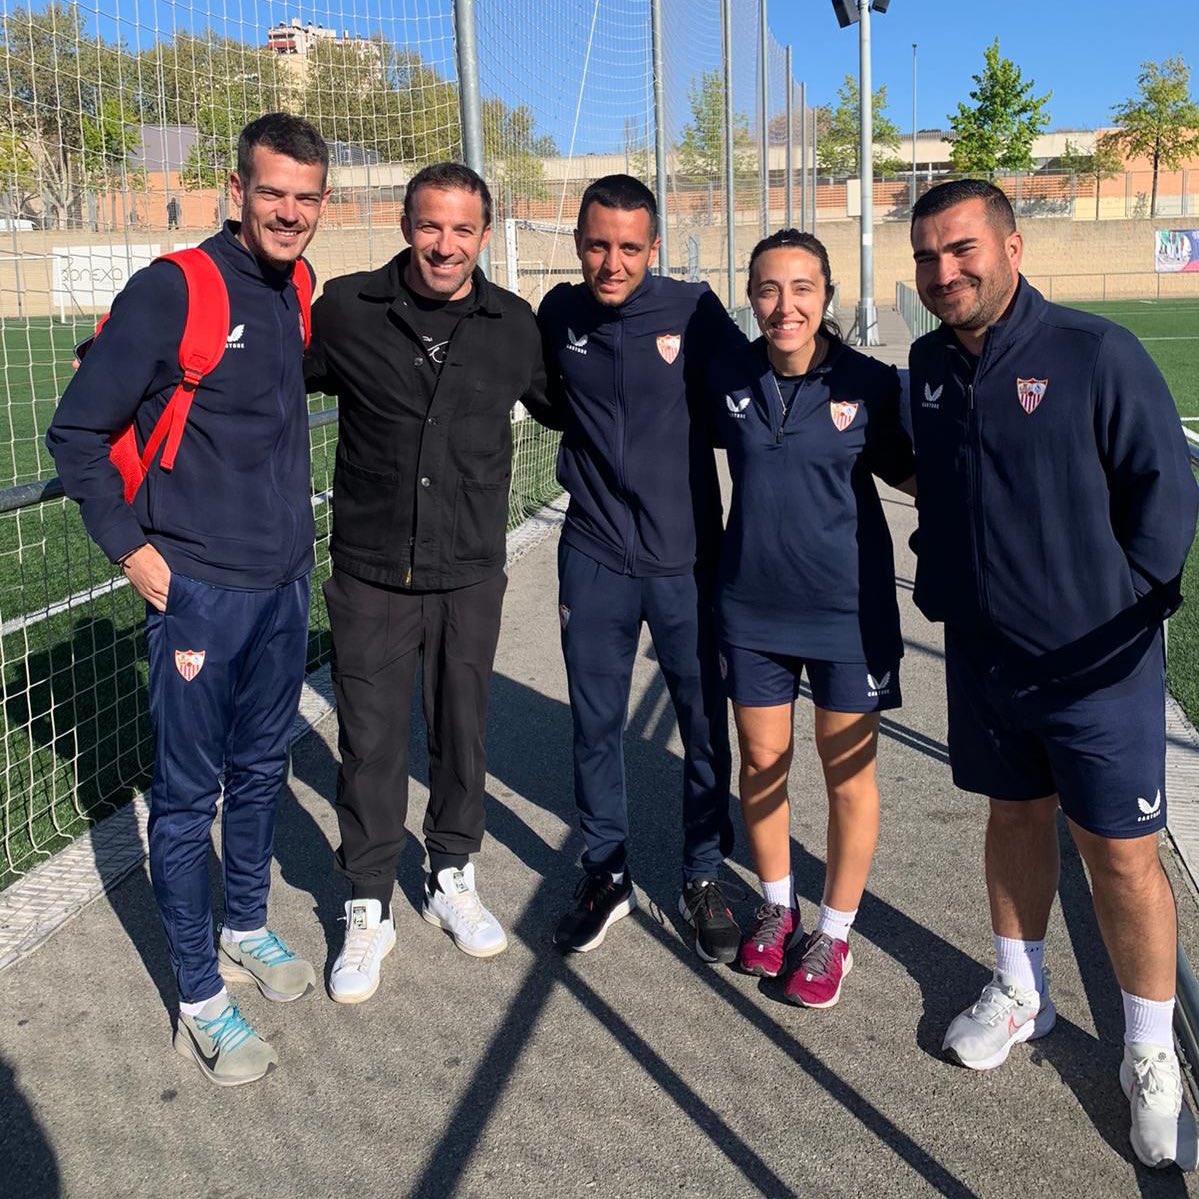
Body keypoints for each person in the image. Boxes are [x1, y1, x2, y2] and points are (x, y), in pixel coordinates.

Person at [908, 178, 1199, 1171]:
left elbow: (1164, 492)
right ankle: (1018, 989)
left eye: (960, 249)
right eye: (926, 256)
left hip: (1096, 667)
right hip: (985, 658)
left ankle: (1148, 1051)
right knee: (1013, 817)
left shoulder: (1092, 352)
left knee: (1120, 855)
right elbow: (941, 482)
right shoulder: (927, 364)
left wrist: (1123, 608)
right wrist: (941, 574)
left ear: (1011, 247)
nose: (942, 271)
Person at [47, 112, 331, 1086]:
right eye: (271, 192)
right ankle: (200, 998)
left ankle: (244, 922)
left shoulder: (296, 287)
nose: (288, 211)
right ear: (236, 190)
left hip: (284, 582)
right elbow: (76, 433)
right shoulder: (175, 287)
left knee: (260, 769)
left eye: (305, 196)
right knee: (183, 800)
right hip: (199, 591)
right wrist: (132, 552)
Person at [305, 163, 556, 1003]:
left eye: (462, 229)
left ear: (484, 234)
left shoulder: (512, 325)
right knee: (370, 742)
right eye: (430, 225)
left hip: (468, 571)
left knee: (462, 731)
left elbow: (577, 405)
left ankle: (451, 873)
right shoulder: (347, 309)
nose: (445, 245)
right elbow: (259, 367)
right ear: (405, 224)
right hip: (371, 571)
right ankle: (367, 901)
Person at [538, 174, 743, 961]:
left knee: (703, 724)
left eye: (628, 247)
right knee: (595, 724)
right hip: (593, 553)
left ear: (653, 248)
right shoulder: (558, 314)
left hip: (685, 559)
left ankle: (702, 872)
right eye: (597, 245)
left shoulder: (693, 310)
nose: (611, 262)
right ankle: (606, 872)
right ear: (578, 243)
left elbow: (756, 395)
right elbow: (546, 398)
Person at [709, 229, 914, 1005]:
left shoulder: (869, 382)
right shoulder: (727, 375)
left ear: (825, 294)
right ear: (750, 295)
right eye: (767, 288)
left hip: (847, 615)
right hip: (750, 608)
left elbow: (918, 474)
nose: (784, 305)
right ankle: (776, 906)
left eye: (801, 288)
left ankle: (833, 932)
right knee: (761, 762)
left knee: (846, 775)